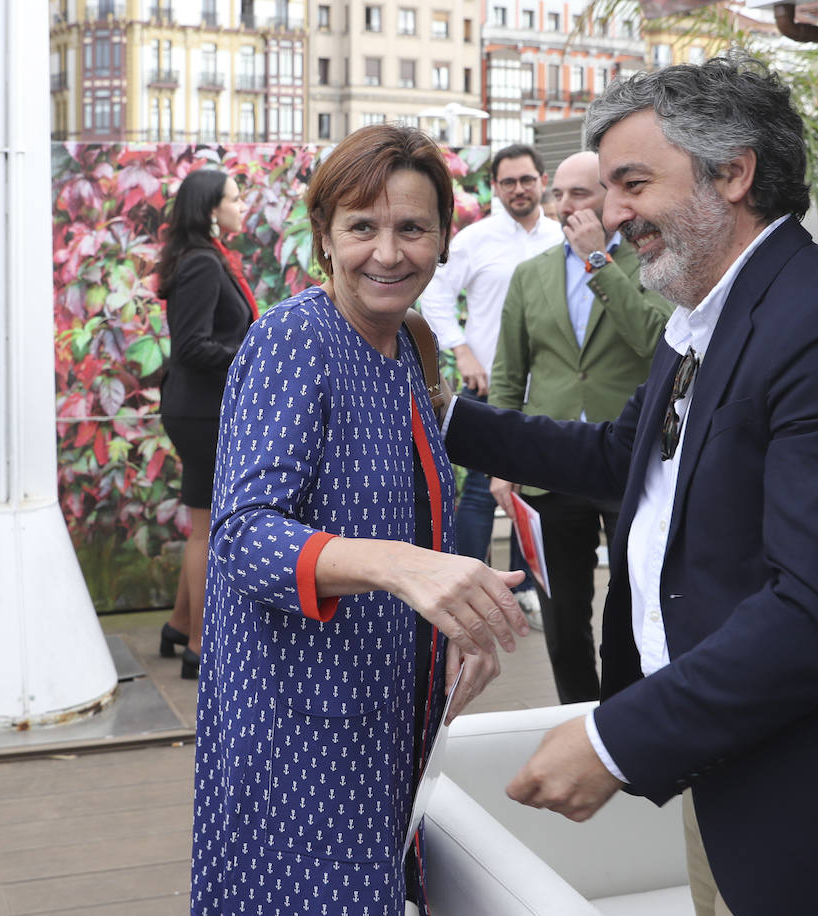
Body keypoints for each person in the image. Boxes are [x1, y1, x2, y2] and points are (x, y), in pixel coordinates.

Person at [444, 55, 818, 915]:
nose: (611, 213)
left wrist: (611, 738)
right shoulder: (698, 321)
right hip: (735, 772)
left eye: (633, 183)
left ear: (734, 172)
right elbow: (617, 460)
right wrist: (446, 416)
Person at [190, 124, 529, 916]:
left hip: (382, 715)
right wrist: (407, 568)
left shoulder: (407, 344)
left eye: (412, 228)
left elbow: (413, 515)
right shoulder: (294, 339)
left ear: (445, 239)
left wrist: (456, 627)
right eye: (362, 227)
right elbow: (243, 535)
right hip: (296, 731)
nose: (388, 252)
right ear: (324, 236)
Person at [487, 151, 671, 704]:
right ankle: (578, 720)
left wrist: (599, 263)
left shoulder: (650, 263)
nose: (567, 206)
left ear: (609, 200)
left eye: (581, 194)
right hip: (551, 464)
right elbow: (508, 374)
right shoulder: (530, 275)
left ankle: (627, 719)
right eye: (559, 194)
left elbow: (655, 341)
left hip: (626, 460)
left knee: (633, 603)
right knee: (563, 616)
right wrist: (502, 461)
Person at [419, 143, 563, 627]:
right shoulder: (475, 239)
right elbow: (435, 292)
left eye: (526, 179)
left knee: (534, 490)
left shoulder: (563, 238)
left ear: (543, 180)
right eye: (508, 182)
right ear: (496, 188)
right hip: (489, 384)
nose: (518, 189)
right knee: (482, 493)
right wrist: (460, 348)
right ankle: (469, 591)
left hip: (545, 385)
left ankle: (523, 590)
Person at [156, 168, 255, 680]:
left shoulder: (204, 258)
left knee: (203, 519)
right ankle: (200, 645)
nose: (242, 206)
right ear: (211, 209)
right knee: (205, 527)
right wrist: (252, 356)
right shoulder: (200, 264)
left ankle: (177, 626)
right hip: (200, 411)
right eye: (235, 199)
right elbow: (191, 345)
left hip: (200, 408)